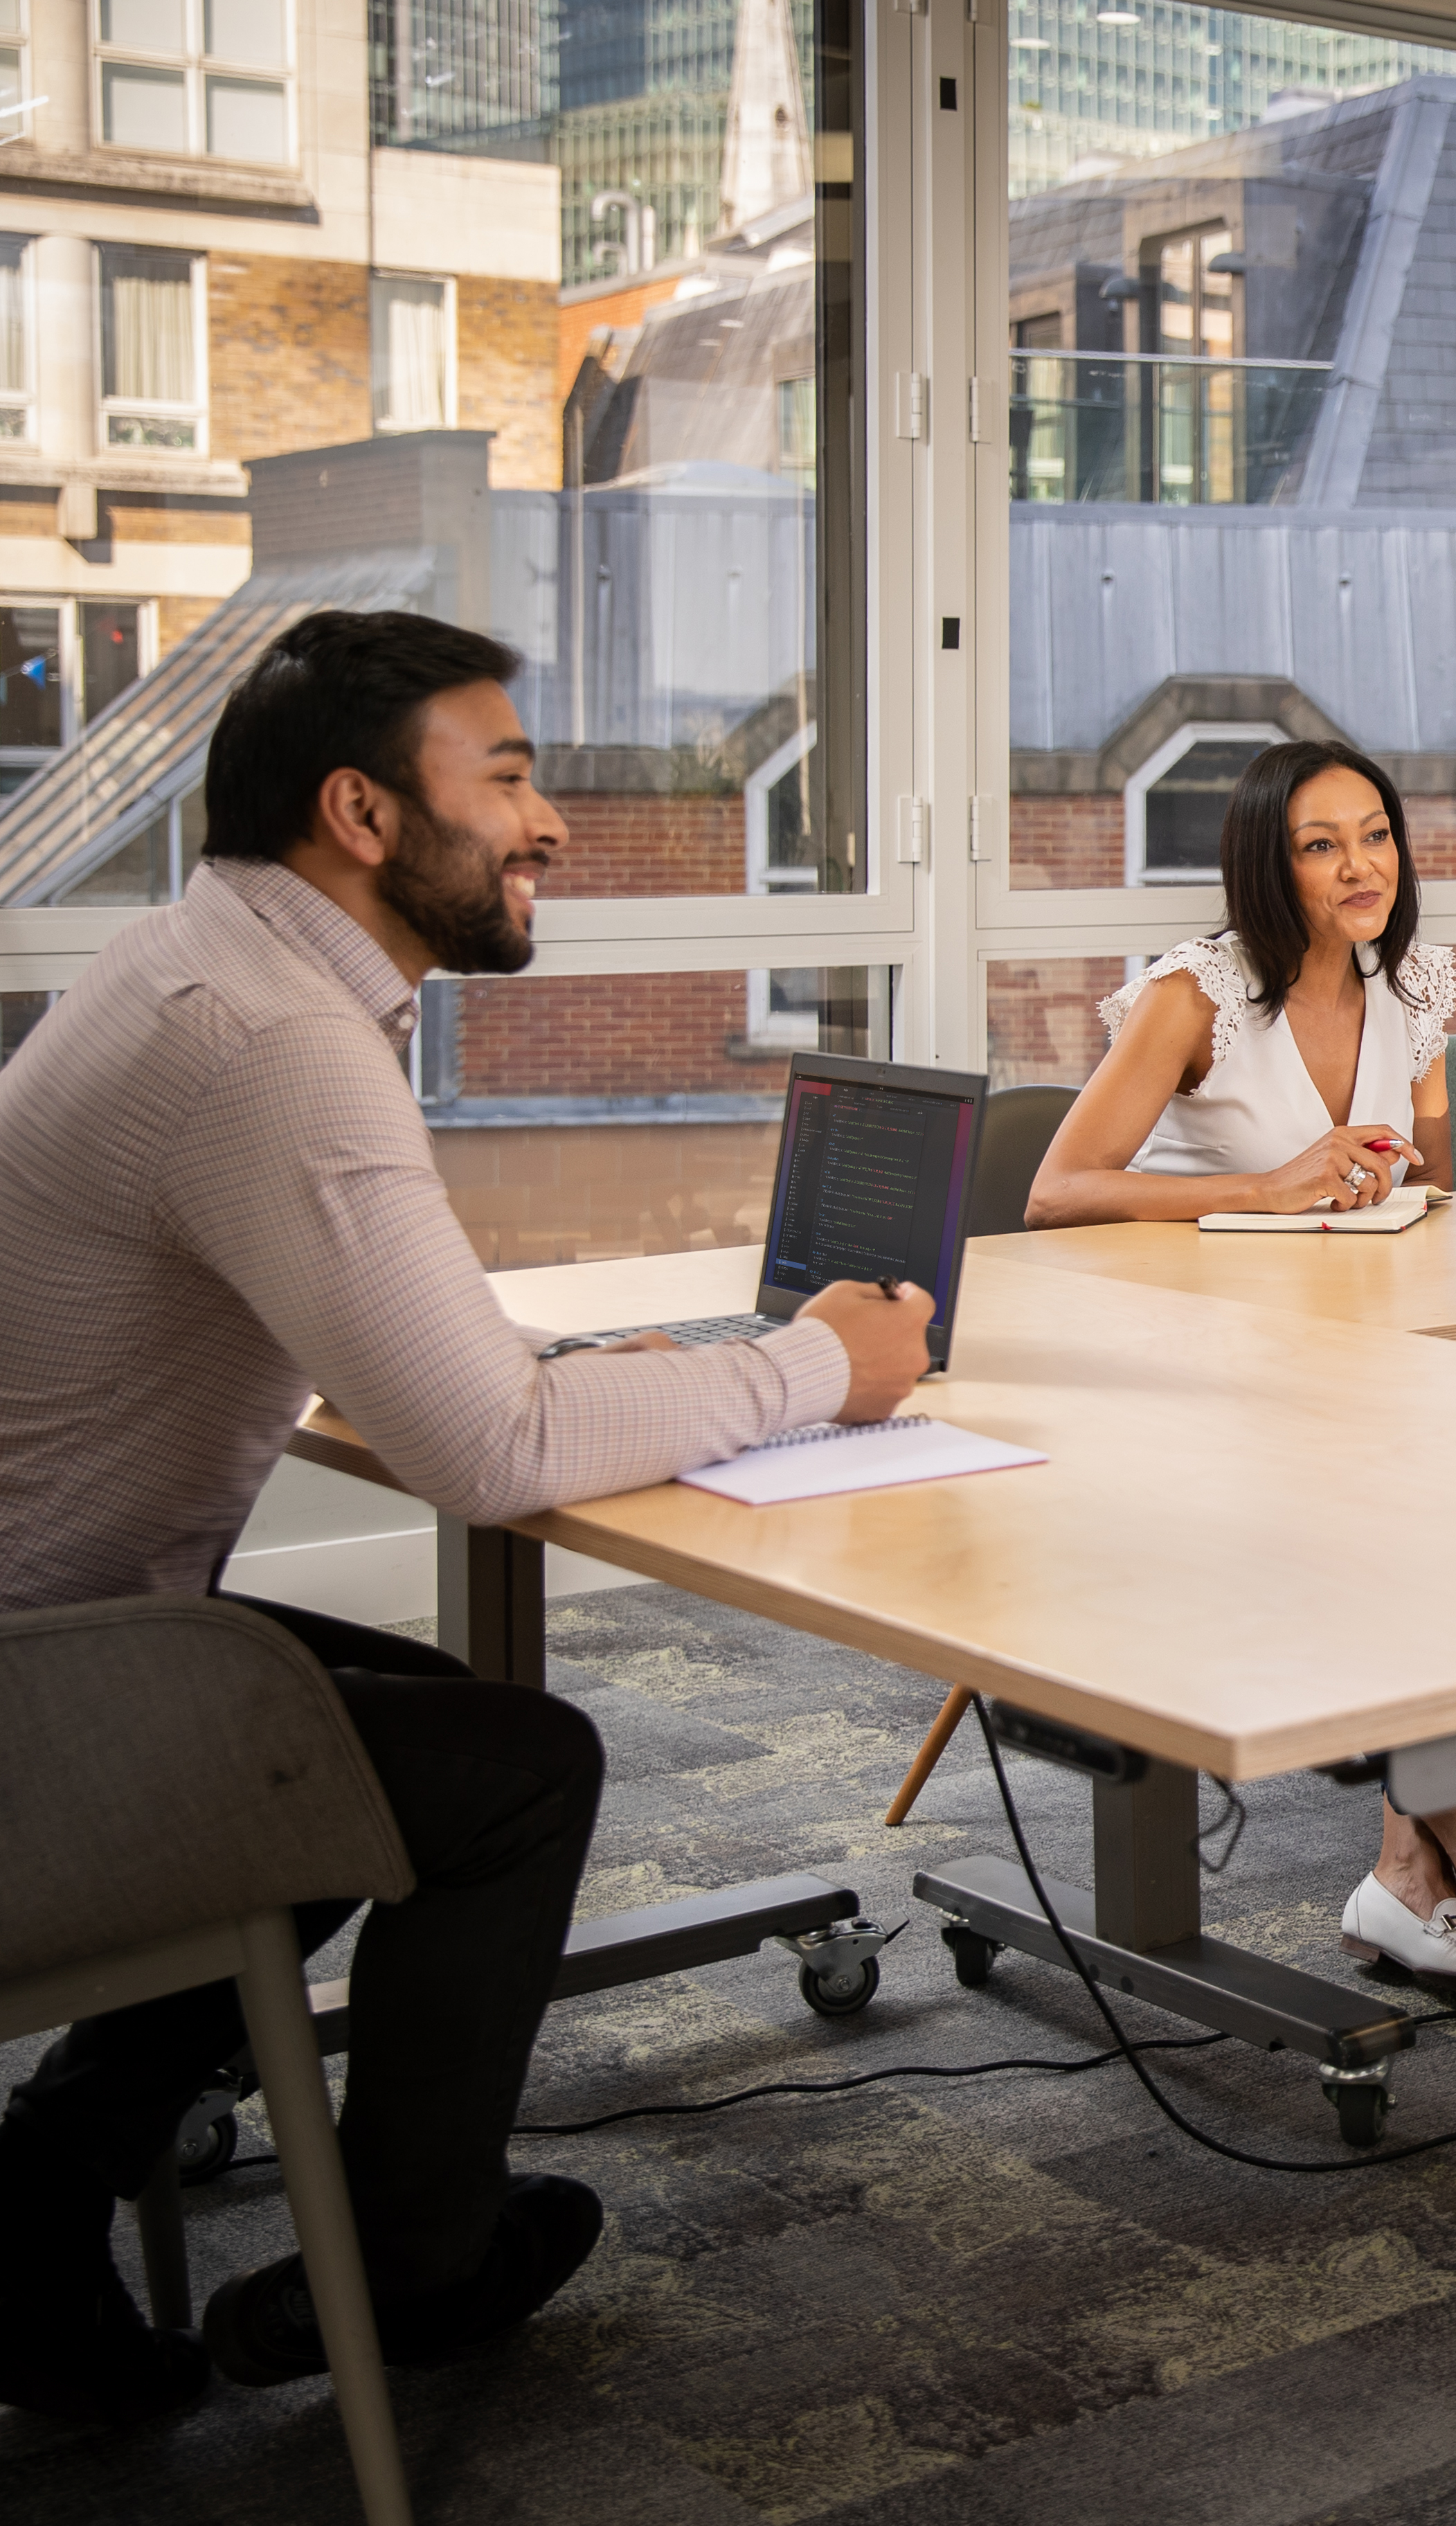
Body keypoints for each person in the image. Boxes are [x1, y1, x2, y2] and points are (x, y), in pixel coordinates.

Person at [0, 612, 934, 2426]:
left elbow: (408, 1368)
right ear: (361, 810)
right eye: (503, 775)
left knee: (356, 1751)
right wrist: (816, 1370)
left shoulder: (205, 968)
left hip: (76, 1627)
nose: (553, 822)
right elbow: (491, 1455)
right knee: (503, 1773)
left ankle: (34, 2198)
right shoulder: (274, 1037)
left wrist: (593, 1369)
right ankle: (411, 2274)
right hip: (45, 1702)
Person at [1021, 739, 1456, 2000]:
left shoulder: (1410, 982)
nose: (1362, 864)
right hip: (1202, 1376)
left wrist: (1432, 1174)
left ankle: (1421, 1866)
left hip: (1356, 1358)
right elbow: (1053, 1192)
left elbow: (1434, 1189)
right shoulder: (1193, 997)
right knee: (1413, 1502)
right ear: (1271, 863)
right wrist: (1264, 1187)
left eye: (1375, 833)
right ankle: (1451, 1849)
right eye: (1322, 844)